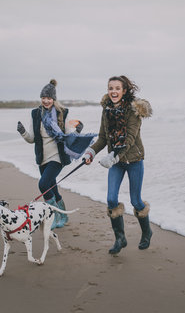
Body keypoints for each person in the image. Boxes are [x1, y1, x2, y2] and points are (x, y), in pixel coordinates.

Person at [82, 75, 153, 255]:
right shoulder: (106, 110)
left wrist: (113, 156)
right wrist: (90, 152)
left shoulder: (134, 110)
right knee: (111, 199)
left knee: (135, 200)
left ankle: (147, 231)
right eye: (110, 88)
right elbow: (103, 138)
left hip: (134, 160)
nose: (113, 91)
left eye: (117, 88)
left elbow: (129, 139)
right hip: (116, 162)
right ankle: (120, 238)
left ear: (124, 90)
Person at [17, 79, 92, 229]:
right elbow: (32, 139)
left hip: (57, 157)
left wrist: (78, 131)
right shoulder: (36, 114)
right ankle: (62, 216)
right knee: (52, 187)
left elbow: (69, 136)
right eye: (43, 98)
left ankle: (53, 217)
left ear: (54, 99)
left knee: (43, 184)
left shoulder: (62, 114)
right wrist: (23, 132)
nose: (46, 101)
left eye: (49, 98)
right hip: (42, 157)